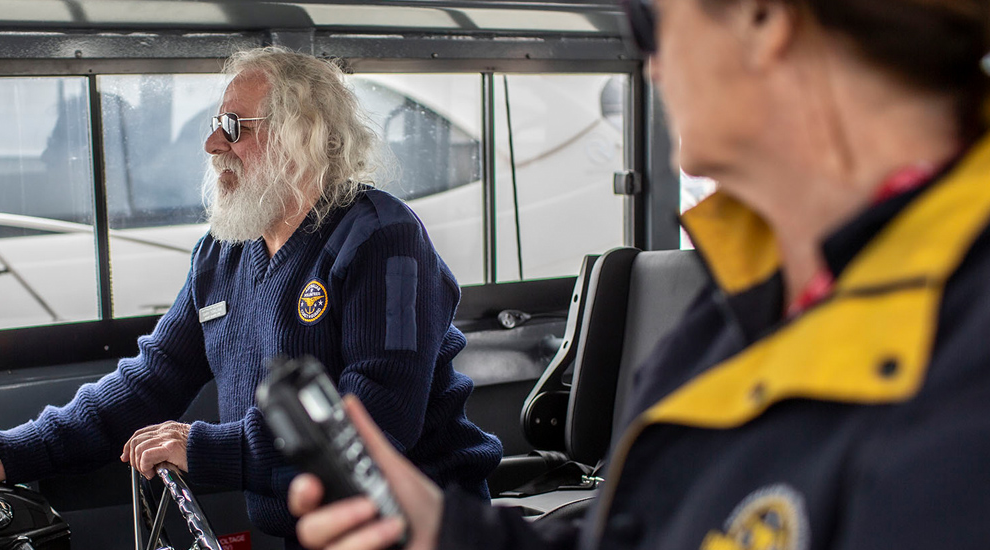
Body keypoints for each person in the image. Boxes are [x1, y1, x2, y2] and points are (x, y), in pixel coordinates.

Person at [289, 1, 990, 549]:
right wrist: (449, 533)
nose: (650, 68)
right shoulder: (741, 305)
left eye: (649, 20)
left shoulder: (964, 366)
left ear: (762, 17)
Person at [0, 46, 502, 547]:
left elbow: (375, 422)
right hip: (313, 531)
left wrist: (205, 450)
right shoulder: (223, 252)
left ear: (302, 136)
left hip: (423, 531)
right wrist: (9, 451)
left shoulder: (381, 237)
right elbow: (150, 381)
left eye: (234, 126)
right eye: (215, 123)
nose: (210, 144)